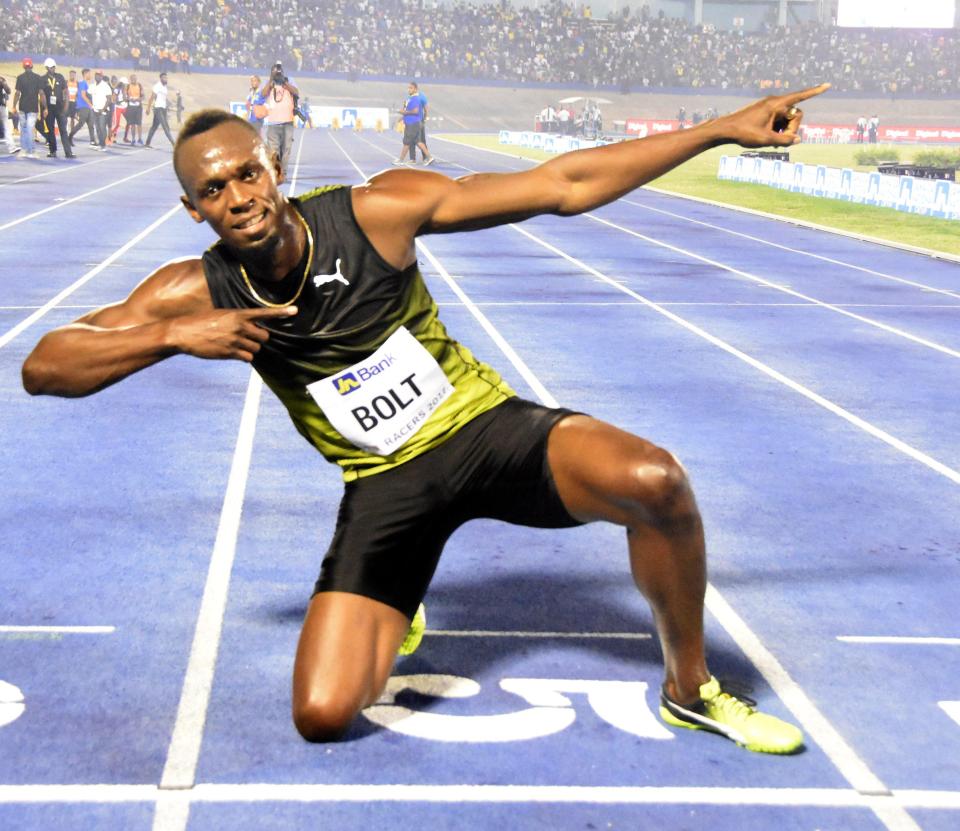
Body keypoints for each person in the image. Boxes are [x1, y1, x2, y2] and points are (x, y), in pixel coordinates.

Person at [21, 83, 830, 753]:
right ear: (193, 209)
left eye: (247, 174)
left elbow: (563, 185)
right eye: (214, 190)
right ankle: (402, 595)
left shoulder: (375, 212)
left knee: (656, 480)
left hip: (483, 431)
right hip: (385, 485)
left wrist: (720, 130)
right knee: (323, 714)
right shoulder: (190, 290)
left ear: (275, 166)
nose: (238, 197)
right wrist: (170, 335)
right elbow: (44, 365)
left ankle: (690, 687)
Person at [261, 62, 298, 177]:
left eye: (279, 71)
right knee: (273, 150)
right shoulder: (269, 82)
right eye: (275, 71)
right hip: (273, 122)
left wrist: (284, 82)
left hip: (288, 121)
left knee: (286, 149)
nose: (277, 73)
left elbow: (296, 92)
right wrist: (271, 80)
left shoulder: (289, 80)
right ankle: (276, 172)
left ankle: (284, 172)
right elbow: (263, 94)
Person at [39, 58, 74, 159]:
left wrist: (66, 106)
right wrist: (45, 108)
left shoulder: (60, 77)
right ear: (46, 68)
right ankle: (53, 151)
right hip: (49, 109)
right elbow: (42, 94)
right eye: (50, 67)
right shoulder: (42, 79)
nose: (52, 69)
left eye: (53, 67)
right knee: (50, 130)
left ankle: (68, 152)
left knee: (63, 130)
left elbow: (66, 92)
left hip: (60, 108)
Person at [13, 57, 45, 159]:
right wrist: (45, 107)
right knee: (30, 129)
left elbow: (17, 93)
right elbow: (41, 93)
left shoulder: (20, 77)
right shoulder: (38, 77)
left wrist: (14, 106)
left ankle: (23, 150)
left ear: (23, 66)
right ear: (31, 66)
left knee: (24, 129)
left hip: (22, 107)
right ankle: (31, 151)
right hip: (33, 107)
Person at [394, 81, 429, 165]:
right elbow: (405, 110)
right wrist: (402, 117)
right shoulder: (409, 98)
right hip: (410, 122)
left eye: (411, 88)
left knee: (418, 140)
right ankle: (413, 158)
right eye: (408, 88)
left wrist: (425, 118)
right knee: (415, 141)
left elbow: (425, 108)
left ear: (416, 89)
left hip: (417, 121)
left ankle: (426, 158)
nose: (409, 89)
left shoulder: (420, 96)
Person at [145, 72, 176, 148]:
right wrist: (148, 108)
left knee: (154, 126)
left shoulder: (165, 87)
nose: (165, 79)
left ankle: (147, 143)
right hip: (158, 109)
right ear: (161, 78)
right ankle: (174, 144)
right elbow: (152, 97)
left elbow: (164, 99)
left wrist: (169, 105)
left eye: (166, 78)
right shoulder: (157, 86)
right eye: (164, 78)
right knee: (165, 126)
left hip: (163, 108)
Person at [69, 68, 96, 146]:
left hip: (87, 107)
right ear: (85, 74)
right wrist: (90, 104)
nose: (90, 75)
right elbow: (83, 95)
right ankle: (69, 137)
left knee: (91, 124)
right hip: (83, 106)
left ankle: (93, 141)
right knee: (81, 123)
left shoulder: (86, 84)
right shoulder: (83, 83)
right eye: (89, 74)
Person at [89, 70, 113, 151]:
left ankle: (103, 144)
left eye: (99, 75)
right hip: (95, 109)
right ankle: (101, 143)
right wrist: (91, 105)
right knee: (98, 128)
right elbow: (88, 94)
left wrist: (103, 109)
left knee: (102, 127)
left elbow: (109, 99)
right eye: (96, 75)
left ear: (102, 76)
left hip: (103, 110)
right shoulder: (92, 86)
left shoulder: (105, 86)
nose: (97, 76)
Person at [0, 75, 19, 156]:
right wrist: (3, 83)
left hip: (2, 106)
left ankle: (12, 147)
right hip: (2, 106)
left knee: (6, 127)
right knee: (6, 127)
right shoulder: (1, 79)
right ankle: (12, 147)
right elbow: (8, 91)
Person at [124, 75, 143, 144]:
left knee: (139, 123)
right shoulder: (128, 86)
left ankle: (140, 138)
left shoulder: (139, 85)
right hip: (131, 107)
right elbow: (125, 97)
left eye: (135, 79)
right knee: (132, 124)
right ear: (130, 79)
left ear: (136, 79)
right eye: (132, 79)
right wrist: (129, 99)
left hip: (138, 107)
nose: (133, 80)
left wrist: (138, 99)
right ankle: (133, 139)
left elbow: (143, 96)